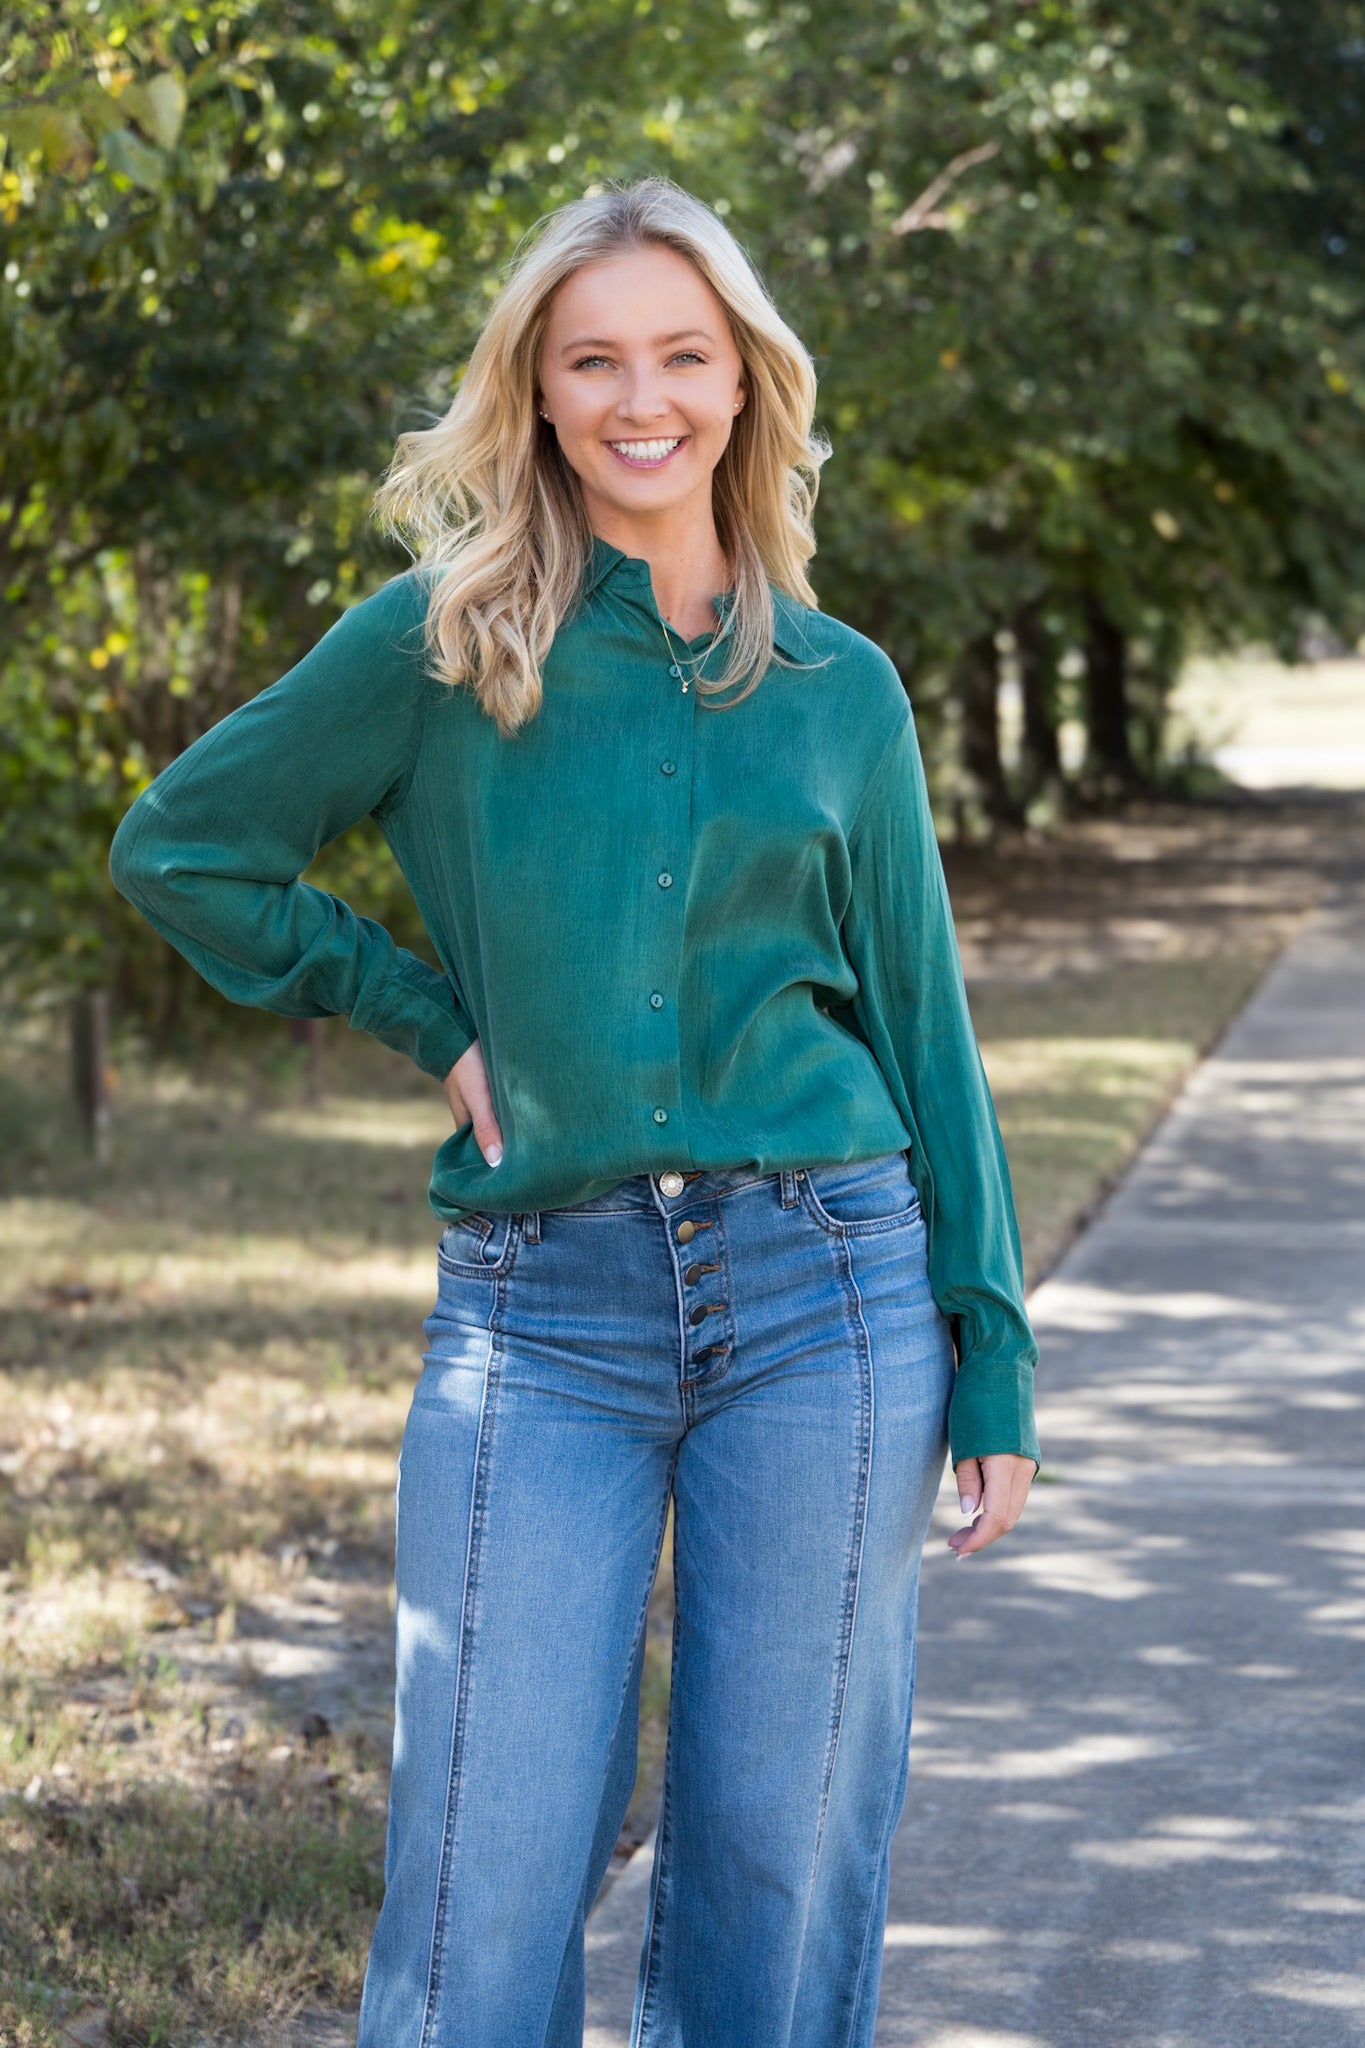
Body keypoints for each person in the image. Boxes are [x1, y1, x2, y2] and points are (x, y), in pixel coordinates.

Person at [110, 174, 1039, 2048]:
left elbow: (925, 1032)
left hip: (827, 1296)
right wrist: (419, 1012)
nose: (642, 399)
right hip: (541, 1314)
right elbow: (183, 848)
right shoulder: (442, 643)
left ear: (744, 382)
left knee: (778, 1876)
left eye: (682, 356)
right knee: (476, 1883)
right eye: (593, 357)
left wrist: (993, 1351)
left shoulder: (836, 687)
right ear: (533, 391)